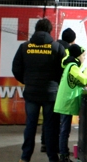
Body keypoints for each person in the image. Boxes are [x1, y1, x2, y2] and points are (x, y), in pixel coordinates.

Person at [13, 18, 65, 162]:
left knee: (30, 125)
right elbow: (63, 71)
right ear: (50, 31)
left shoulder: (24, 47)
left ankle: (25, 158)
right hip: (50, 94)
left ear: (35, 29)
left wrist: (28, 81)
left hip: (31, 93)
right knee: (50, 127)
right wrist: (54, 83)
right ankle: (53, 158)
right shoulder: (57, 48)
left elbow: (16, 69)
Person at [54, 44, 87, 162]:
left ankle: (63, 152)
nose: (84, 58)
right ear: (77, 56)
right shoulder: (72, 66)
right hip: (66, 103)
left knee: (64, 130)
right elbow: (83, 79)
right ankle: (63, 156)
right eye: (83, 55)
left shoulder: (70, 65)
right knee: (64, 130)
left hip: (65, 102)